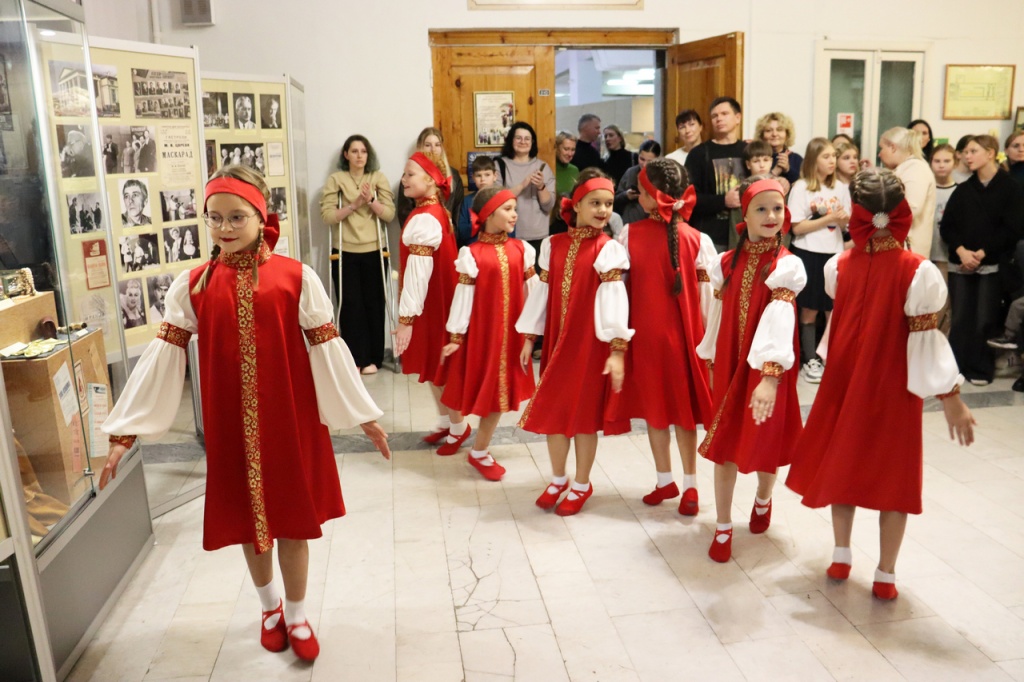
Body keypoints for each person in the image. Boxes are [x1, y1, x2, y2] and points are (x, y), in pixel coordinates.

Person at [100, 165, 390, 662]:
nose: (225, 228)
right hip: (231, 426)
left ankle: (297, 616)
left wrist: (363, 413)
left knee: (294, 522)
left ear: (261, 215)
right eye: (214, 218)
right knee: (252, 525)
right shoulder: (193, 286)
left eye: (237, 217)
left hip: (292, 421)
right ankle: (269, 608)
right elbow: (163, 361)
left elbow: (327, 348)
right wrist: (125, 431)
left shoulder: (297, 277)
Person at [786, 168, 975, 600]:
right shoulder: (918, 271)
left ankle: (842, 552)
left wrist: (950, 396)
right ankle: (885, 572)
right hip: (893, 382)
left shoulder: (839, 266)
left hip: (849, 378)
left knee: (844, 464)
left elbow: (842, 324)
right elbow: (926, 340)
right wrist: (950, 396)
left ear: (856, 213)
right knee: (894, 474)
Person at [697, 176, 807, 563]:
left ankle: (763, 498)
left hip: (767, 372)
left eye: (777, 208)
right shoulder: (725, 263)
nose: (771, 215)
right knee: (724, 444)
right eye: (761, 208)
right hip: (729, 365)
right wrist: (709, 358)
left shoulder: (787, 266)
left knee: (764, 443)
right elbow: (716, 314)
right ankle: (724, 525)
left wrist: (770, 376)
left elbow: (781, 322)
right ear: (743, 214)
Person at [516, 168, 632, 516]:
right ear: (576, 204)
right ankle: (557, 477)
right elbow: (542, 294)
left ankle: (582, 482)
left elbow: (614, 300)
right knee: (554, 413)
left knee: (582, 418)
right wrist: (529, 337)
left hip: (587, 346)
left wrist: (616, 349)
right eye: (595, 202)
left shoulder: (609, 249)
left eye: (608, 203)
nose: (602, 209)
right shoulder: (553, 245)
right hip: (556, 344)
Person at [615, 159, 715, 514]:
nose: (637, 196)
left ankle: (665, 480)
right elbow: (707, 299)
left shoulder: (628, 235)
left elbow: (619, 291)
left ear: (651, 197)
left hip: (646, 338)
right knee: (683, 414)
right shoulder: (699, 240)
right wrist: (708, 343)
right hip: (686, 339)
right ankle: (688, 485)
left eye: (641, 191)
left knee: (656, 413)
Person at [439, 188, 537, 478]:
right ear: (489, 214)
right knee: (480, 391)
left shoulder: (522, 250)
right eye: (507, 209)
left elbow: (533, 294)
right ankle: (467, 439)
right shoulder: (471, 254)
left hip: (512, 338)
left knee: (498, 395)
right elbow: (463, 297)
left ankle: (479, 450)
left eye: (514, 208)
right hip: (482, 336)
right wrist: (456, 336)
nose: (514, 214)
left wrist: (531, 335)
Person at [393, 151, 471, 453]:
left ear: (430, 179)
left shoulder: (426, 217)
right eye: (403, 175)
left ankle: (458, 426)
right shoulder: (433, 211)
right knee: (432, 362)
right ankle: (446, 422)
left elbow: (418, 272)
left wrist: (406, 319)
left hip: (431, 302)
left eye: (410, 174)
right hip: (434, 299)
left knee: (440, 366)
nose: (404, 180)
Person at [940, 135, 1024, 385]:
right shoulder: (964, 189)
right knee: (960, 317)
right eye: (965, 152)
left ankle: (979, 368)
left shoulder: (1010, 188)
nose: (967, 156)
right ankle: (955, 367)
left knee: (984, 317)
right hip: (961, 262)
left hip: (993, 262)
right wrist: (962, 251)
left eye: (973, 151)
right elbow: (947, 227)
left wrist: (984, 252)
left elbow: (1014, 227)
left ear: (990, 153)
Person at [319, 135, 396, 374]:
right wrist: (354, 204)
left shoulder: (377, 178)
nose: (359, 155)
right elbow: (328, 217)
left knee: (374, 303)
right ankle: (355, 357)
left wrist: (370, 200)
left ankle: (374, 358)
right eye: (354, 151)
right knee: (350, 305)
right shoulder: (336, 179)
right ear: (346, 155)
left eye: (363, 151)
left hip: (375, 249)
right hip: (345, 251)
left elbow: (389, 215)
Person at [787, 138, 851, 383]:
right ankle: (810, 358)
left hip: (834, 254)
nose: (832, 161)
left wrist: (843, 219)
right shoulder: (802, 187)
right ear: (814, 160)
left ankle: (830, 356)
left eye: (834, 155)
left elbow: (845, 225)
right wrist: (828, 218)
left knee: (832, 309)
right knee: (809, 309)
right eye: (826, 156)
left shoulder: (841, 188)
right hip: (808, 252)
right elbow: (797, 227)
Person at [685, 97, 748, 251]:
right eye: (714, 116)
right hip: (710, 238)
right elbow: (688, 198)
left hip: (745, 235)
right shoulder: (698, 154)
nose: (719, 118)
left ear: (738, 118)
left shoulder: (749, 151)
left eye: (724, 113)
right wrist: (723, 201)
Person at [495, 122, 555, 254]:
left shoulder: (543, 167)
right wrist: (522, 185)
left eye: (527, 139)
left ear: (532, 142)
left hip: (538, 236)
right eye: (518, 138)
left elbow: (548, 206)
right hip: (507, 234)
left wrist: (541, 186)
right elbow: (495, 200)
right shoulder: (499, 165)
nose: (523, 142)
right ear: (511, 140)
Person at [879, 127, 936, 258]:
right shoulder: (905, 168)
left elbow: (911, 209)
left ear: (893, 147)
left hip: (907, 250)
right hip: (898, 248)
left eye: (881, 148)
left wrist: (876, 219)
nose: (879, 154)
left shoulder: (915, 169)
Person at [395, 127, 465, 225]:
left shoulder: (454, 176)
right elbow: (404, 213)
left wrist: (452, 233)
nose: (433, 149)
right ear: (420, 147)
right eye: (427, 145)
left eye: (437, 145)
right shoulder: (409, 176)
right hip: (420, 232)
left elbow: (458, 210)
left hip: (447, 232)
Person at [931, 143, 958, 334]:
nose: (941, 165)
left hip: (946, 252)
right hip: (926, 248)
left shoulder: (959, 190)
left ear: (955, 163)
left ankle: (942, 334)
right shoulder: (927, 187)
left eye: (946, 161)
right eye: (937, 161)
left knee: (944, 296)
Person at [456, 155, 500, 248]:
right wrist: (478, 222)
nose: (483, 179)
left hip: (497, 249)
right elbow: (462, 232)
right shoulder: (467, 201)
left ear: (495, 176)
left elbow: (510, 231)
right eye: (478, 175)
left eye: (487, 175)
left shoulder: (502, 199)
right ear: (473, 178)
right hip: (473, 249)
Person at [615, 139, 661, 224]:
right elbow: (615, 200)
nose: (644, 164)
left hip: (654, 222)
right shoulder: (630, 172)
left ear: (657, 159)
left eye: (649, 161)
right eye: (642, 159)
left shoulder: (661, 175)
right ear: (638, 155)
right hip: (630, 220)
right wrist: (626, 195)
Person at [755, 112, 802, 186]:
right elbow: (753, 185)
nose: (774, 134)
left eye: (779, 130)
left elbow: (804, 187)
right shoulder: (755, 158)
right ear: (761, 135)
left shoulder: (796, 159)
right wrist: (774, 173)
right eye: (768, 130)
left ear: (787, 134)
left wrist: (788, 170)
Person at [554, 131, 579, 199]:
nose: (570, 154)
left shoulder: (574, 170)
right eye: (566, 149)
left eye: (573, 150)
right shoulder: (549, 168)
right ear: (556, 148)